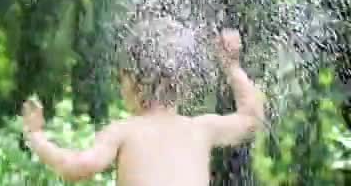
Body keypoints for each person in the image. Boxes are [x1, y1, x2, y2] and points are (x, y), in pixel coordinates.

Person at [21, 27, 264, 185]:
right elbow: (251, 120)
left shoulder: (124, 131)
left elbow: (77, 167)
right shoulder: (201, 128)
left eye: (122, 78)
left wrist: (37, 137)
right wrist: (232, 67)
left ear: (135, 82)